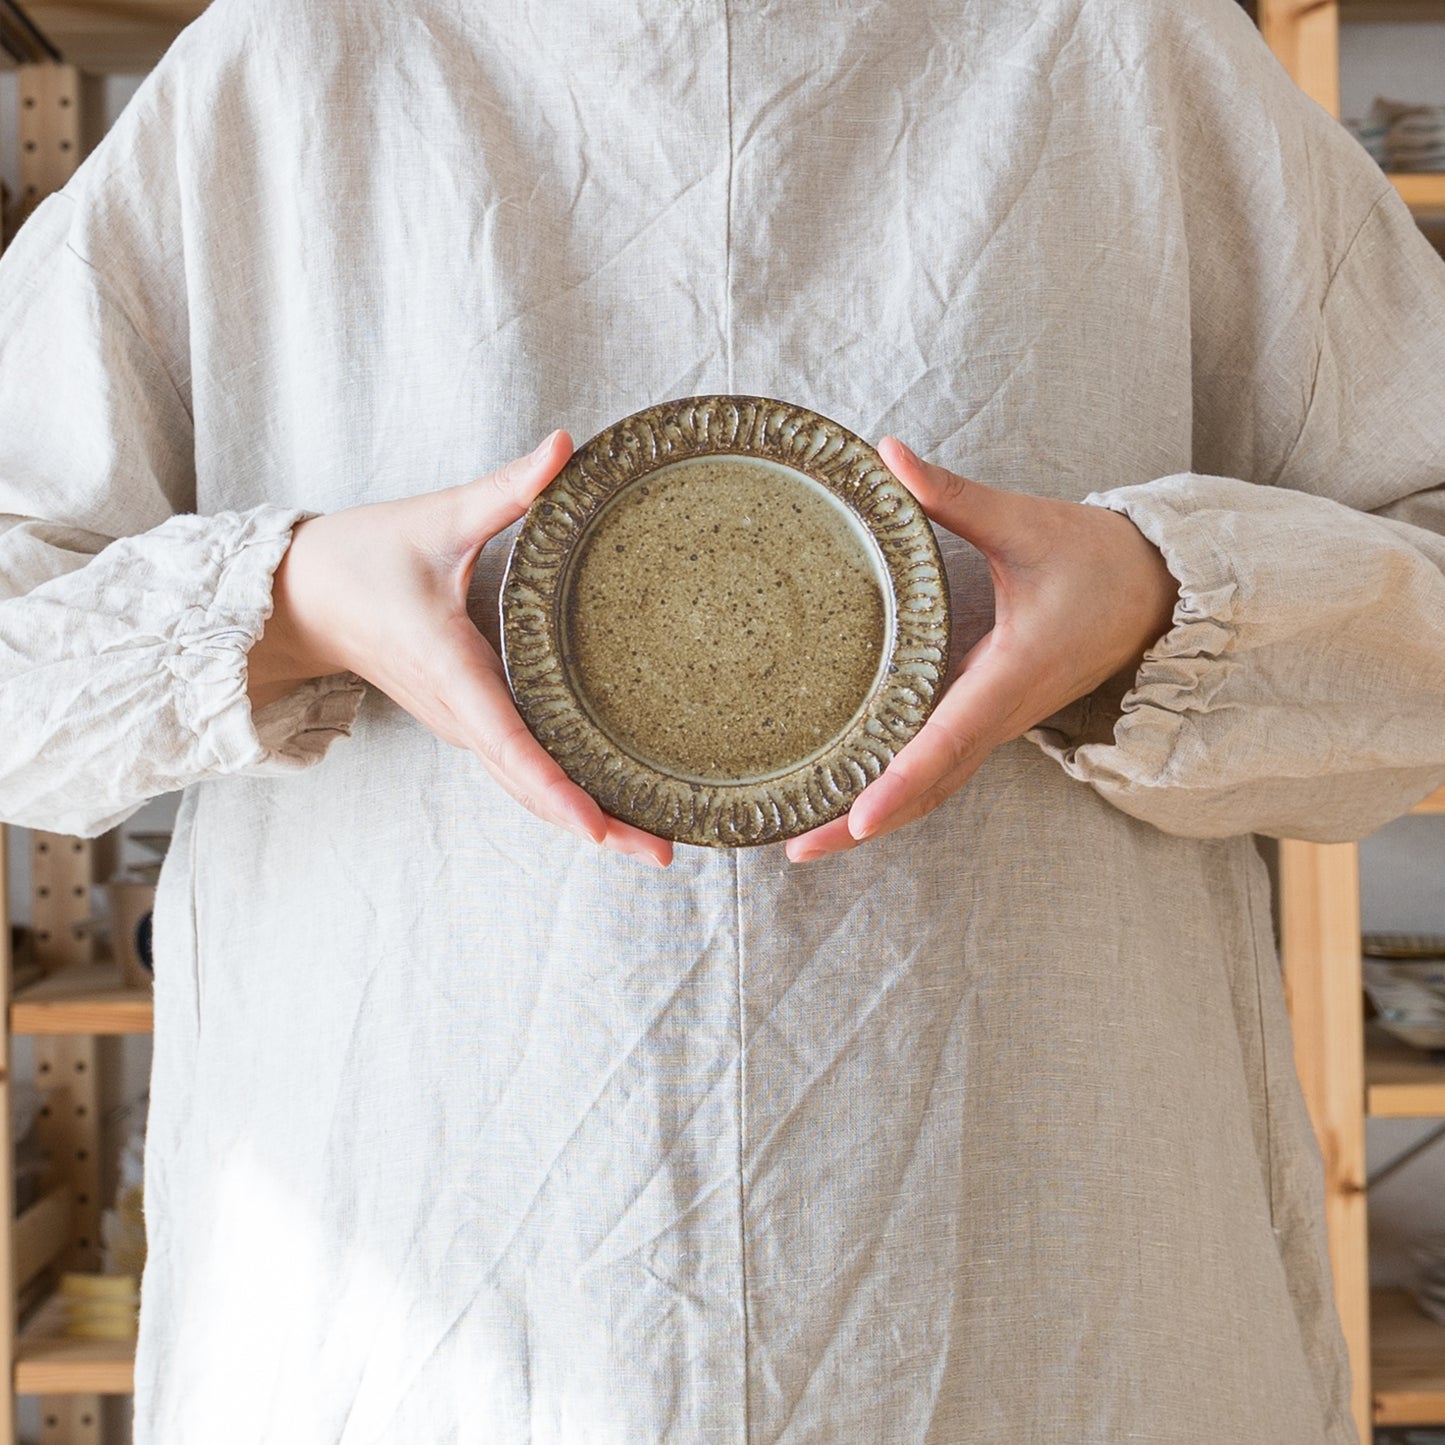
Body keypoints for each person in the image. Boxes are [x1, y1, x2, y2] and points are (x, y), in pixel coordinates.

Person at [1, 0, 1443, 1439]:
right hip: (421, 1275)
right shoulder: (288, 64)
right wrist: (296, 597)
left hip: (1049, 1272)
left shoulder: (1132, 48)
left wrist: (1155, 595)